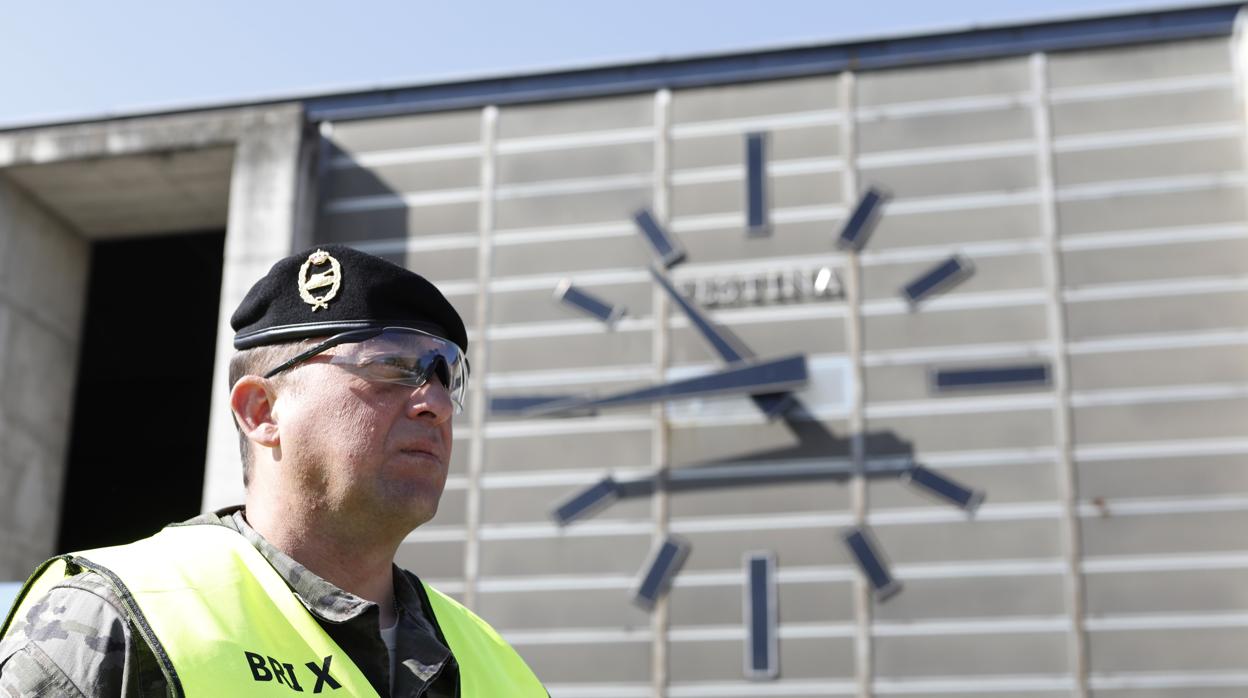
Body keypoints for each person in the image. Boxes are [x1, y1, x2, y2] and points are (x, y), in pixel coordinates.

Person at [0, 245, 546, 696]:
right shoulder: (118, 615)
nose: (438, 404)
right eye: (393, 365)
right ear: (262, 412)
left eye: (446, 375)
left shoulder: (501, 668)